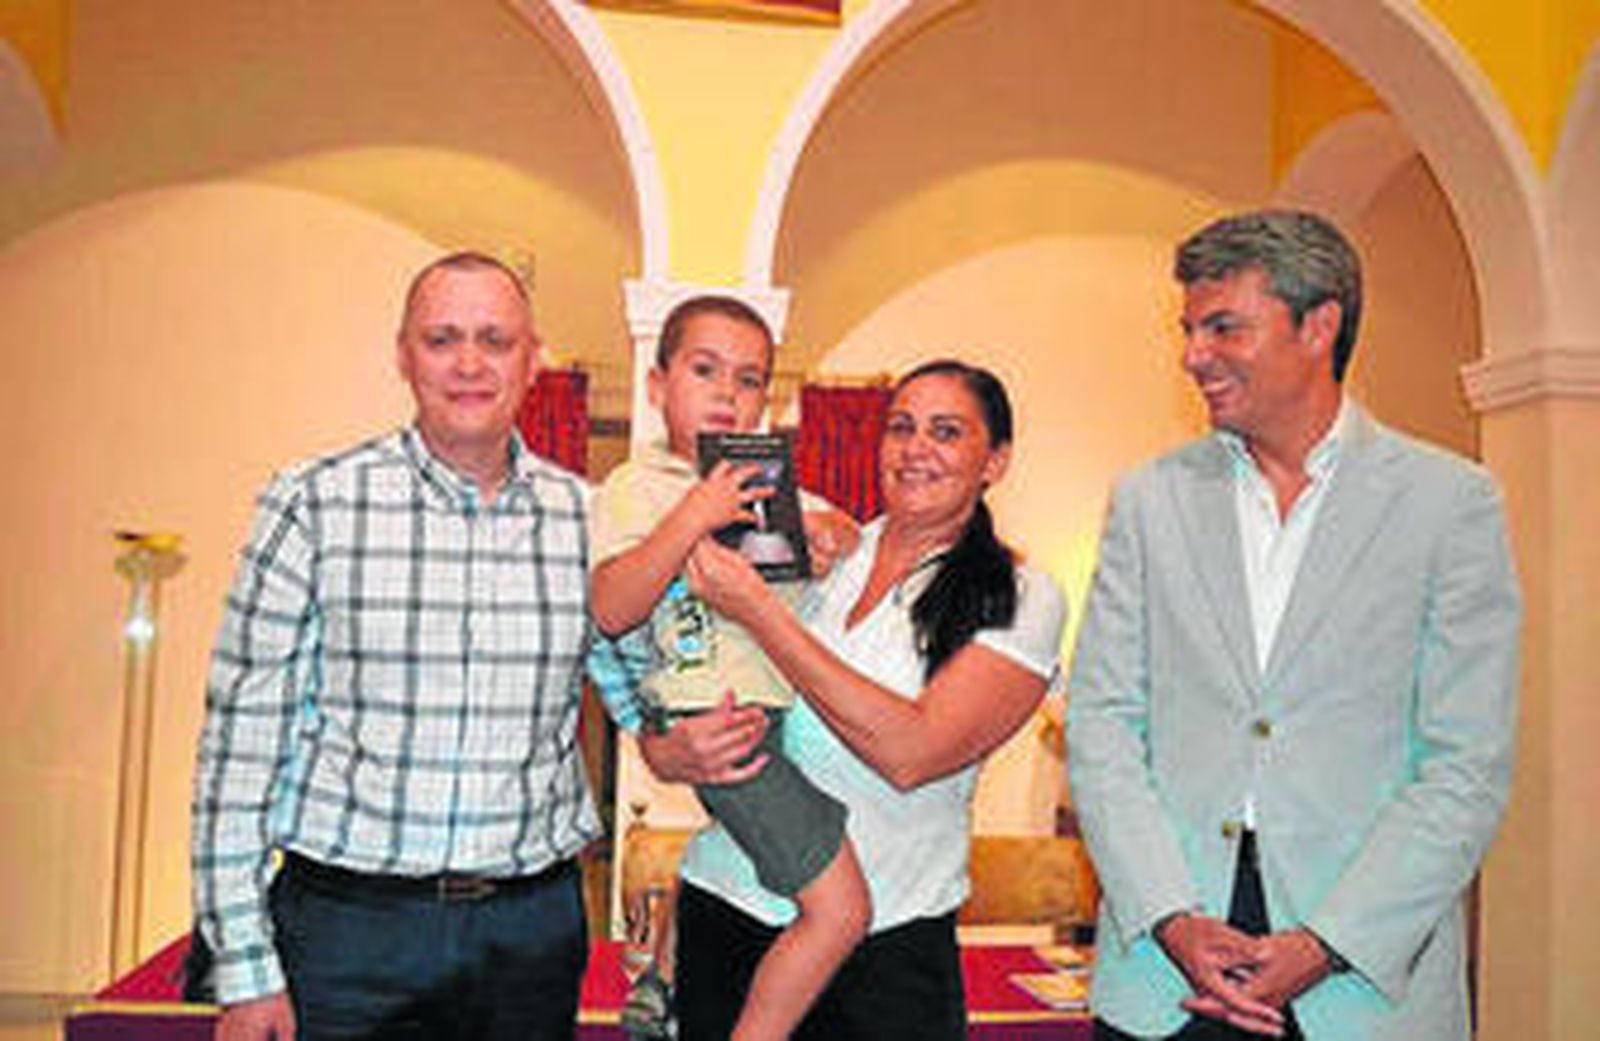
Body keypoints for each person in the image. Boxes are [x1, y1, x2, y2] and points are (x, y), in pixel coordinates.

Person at [1066, 210, 1522, 1041]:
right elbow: (1101, 727)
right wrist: (1170, 916)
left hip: (1363, 985)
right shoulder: (1148, 500)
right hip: (1167, 978)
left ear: (1320, 325)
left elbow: (1467, 764)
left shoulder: (1450, 505)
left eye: (1223, 326)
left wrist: (1327, 942)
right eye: (1189, 328)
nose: (1192, 353)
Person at [191, 252, 598, 1041]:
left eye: (495, 339)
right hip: (347, 936)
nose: (470, 363)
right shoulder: (312, 502)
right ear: (403, 353)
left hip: (530, 939)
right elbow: (237, 748)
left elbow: (641, 690)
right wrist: (243, 966)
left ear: (534, 357)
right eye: (442, 339)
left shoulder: (592, 521)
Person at [653, 359, 1067, 1041]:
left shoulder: (1020, 596)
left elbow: (912, 751)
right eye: (900, 426)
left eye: (946, 431)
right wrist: (670, 751)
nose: (915, 448)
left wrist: (763, 613)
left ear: (995, 460)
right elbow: (697, 677)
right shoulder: (822, 548)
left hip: (883, 950)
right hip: (725, 908)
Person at [587, 294, 870, 1041]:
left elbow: (839, 534)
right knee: (841, 907)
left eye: (749, 380)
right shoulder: (633, 488)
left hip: (769, 717)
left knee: (750, 852)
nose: (726, 393)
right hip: (713, 722)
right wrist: (694, 514)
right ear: (657, 385)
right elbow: (611, 608)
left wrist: (829, 534)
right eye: (704, 370)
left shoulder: (764, 483)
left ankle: (662, 978)